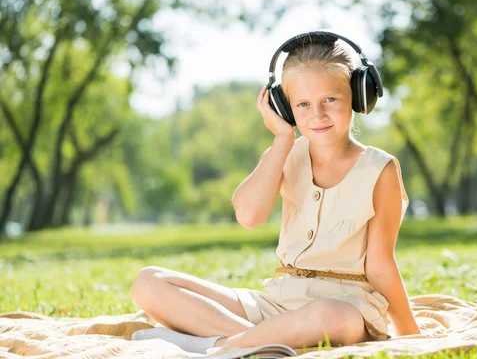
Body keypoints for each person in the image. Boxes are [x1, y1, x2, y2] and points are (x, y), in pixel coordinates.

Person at [130, 31, 421, 354]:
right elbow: (249, 216)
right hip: (276, 301)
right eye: (302, 104)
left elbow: (380, 265)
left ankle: (219, 345)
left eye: (330, 100)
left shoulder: (380, 170)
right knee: (149, 282)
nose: (317, 115)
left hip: (346, 306)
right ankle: (252, 344)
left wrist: (411, 334)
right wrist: (282, 140)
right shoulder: (286, 153)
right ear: (285, 108)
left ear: (358, 94)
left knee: (330, 316)